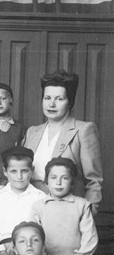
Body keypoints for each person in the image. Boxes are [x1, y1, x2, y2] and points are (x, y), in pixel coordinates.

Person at [24, 69, 103, 214]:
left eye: (59, 99)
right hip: (31, 211)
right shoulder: (32, 132)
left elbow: (93, 181)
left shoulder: (83, 130)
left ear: (70, 102)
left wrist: (86, 216)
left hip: (67, 212)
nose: (51, 104)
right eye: (47, 98)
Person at [0, 147, 48, 255]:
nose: (19, 177)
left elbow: (43, 229)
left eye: (24, 171)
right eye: (13, 171)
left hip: (31, 250)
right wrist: (0, 252)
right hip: (3, 250)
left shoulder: (40, 197)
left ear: (32, 170)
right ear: (5, 172)